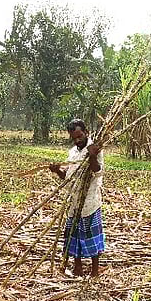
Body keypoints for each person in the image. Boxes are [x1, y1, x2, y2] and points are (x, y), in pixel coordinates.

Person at [48, 118, 105, 278]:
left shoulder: (95, 149)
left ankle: (95, 271)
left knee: (91, 236)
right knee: (74, 235)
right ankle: (77, 267)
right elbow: (68, 176)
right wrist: (57, 170)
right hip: (74, 200)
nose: (77, 140)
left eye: (80, 136)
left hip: (89, 201)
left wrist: (92, 156)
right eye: (74, 137)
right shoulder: (73, 152)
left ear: (86, 132)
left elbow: (98, 171)